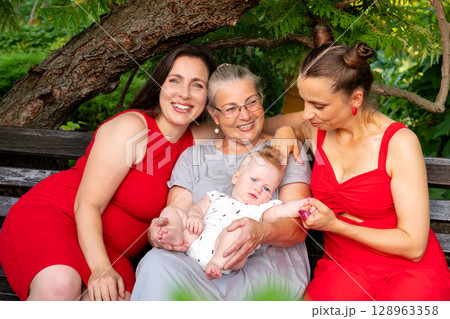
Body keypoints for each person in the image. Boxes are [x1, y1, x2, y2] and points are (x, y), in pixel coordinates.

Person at [0, 44, 217, 301]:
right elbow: (88, 204)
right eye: (175, 81)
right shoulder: (132, 128)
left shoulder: (199, 137)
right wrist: (100, 268)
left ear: (208, 97)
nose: (184, 94)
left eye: (197, 85)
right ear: (159, 85)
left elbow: (253, 126)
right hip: (58, 218)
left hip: (114, 251)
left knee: (119, 302)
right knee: (60, 286)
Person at [263, 25, 450, 300]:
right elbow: (253, 127)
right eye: (304, 101)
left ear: (356, 98)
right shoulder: (315, 127)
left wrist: (336, 226)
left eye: (318, 105)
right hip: (344, 268)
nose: (306, 113)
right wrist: (285, 131)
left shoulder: (399, 143)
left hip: (408, 270)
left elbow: (413, 245)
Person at [131, 64, 312, 301]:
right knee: (156, 262)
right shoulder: (193, 157)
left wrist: (261, 232)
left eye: (251, 103)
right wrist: (162, 230)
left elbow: (297, 228)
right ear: (214, 114)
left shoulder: (284, 150)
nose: (245, 115)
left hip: (265, 268)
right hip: (198, 267)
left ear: (262, 100)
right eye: (231, 109)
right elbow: (176, 213)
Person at [157, 146, 312, 280]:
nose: (258, 189)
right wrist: (195, 216)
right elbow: (198, 207)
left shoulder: (259, 210)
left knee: (240, 228)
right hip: (194, 241)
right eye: (254, 180)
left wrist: (305, 204)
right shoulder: (215, 197)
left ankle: (215, 263)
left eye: (266, 189)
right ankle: (174, 234)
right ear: (236, 177)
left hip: (227, 256)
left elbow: (282, 210)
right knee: (172, 210)